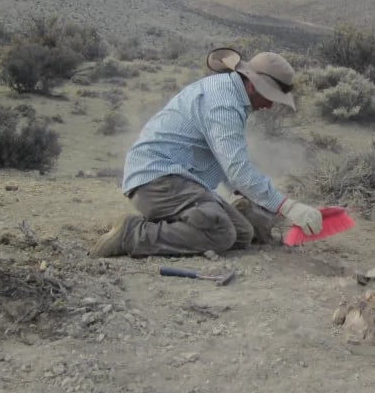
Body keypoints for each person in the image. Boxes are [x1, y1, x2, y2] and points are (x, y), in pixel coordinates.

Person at [90, 51, 325, 258]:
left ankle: (207, 217)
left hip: (174, 180)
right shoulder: (223, 104)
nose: (270, 106)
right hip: (157, 180)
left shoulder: (228, 92)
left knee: (242, 234)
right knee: (221, 233)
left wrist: (252, 197)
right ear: (253, 86)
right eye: (270, 96)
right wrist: (287, 206)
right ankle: (131, 234)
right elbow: (238, 170)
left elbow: (226, 162)